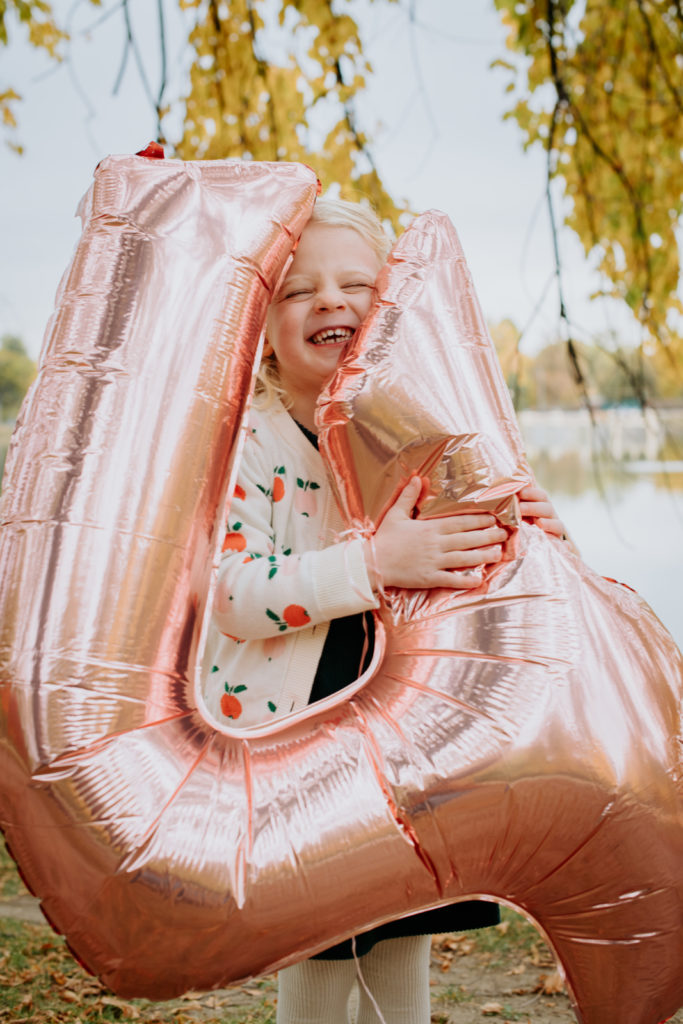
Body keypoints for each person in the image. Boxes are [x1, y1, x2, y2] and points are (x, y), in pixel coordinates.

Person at [202, 198, 567, 1024]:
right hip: (296, 726)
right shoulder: (248, 443)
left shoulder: (409, 424)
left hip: (400, 727)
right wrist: (373, 563)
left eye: (355, 283)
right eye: (299, 291)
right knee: (326, 933)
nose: (331, 299)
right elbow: (231, 593)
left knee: (405, 917)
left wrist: (533, 532)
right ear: (261, 330)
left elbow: (480, 549)